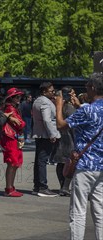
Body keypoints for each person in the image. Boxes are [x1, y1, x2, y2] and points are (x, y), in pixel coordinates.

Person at [55, 73, 103, 239]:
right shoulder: (90, 109)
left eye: (88, 86)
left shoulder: (88, 110)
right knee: (99, 210)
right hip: (101, 166)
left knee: (78, 210)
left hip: (84, 166)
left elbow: (61, 125)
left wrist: (58, 105)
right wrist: (79, 106)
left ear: (93, 88)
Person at [32, 82, 60, 197]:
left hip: (40, 134)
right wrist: (52, 134)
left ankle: (38, 185)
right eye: (51, 91)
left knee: (39, 160)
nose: (53, 92)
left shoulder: (37, 101)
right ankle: (42, 187)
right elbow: (47, 119)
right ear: (44, 92)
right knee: (42, 161)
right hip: (46, 135)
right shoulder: (45, 102)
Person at [52, 87, 79, 197]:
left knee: (61, 162)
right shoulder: (69, 108)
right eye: (72, 93)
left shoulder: (57, 106)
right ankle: (65, 187)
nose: (74, 95)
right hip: (69, 138)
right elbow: (74, 126)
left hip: (60, 137)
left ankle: (63, 186)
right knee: (70, 163)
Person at [0, 88, 26, 197]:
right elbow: (20, 124)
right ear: (11, 98)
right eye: (16, 97)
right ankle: (9, 187)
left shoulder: (13, 108)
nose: (18, 99)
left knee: (15, 163)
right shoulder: (10, 108)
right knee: (12, 163)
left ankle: (10, 186)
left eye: (19, 97)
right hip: (10, 138)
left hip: (14, 137)